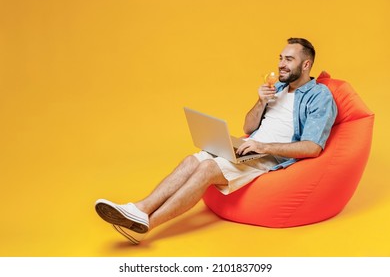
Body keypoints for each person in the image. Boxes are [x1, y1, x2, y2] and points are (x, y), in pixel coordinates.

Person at [95, 37, 338, 245]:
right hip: (249, 147)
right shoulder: (278, 89)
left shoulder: (319, 96)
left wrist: (262, 146)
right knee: (192, 160)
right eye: (281, 58)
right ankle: (138, 208)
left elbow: (313, 147)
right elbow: (247, 127)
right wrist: (261, 101)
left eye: (289, 60)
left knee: (208, 168)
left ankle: (146, 225)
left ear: (306, 65)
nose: (281, 65)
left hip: (269, 157)